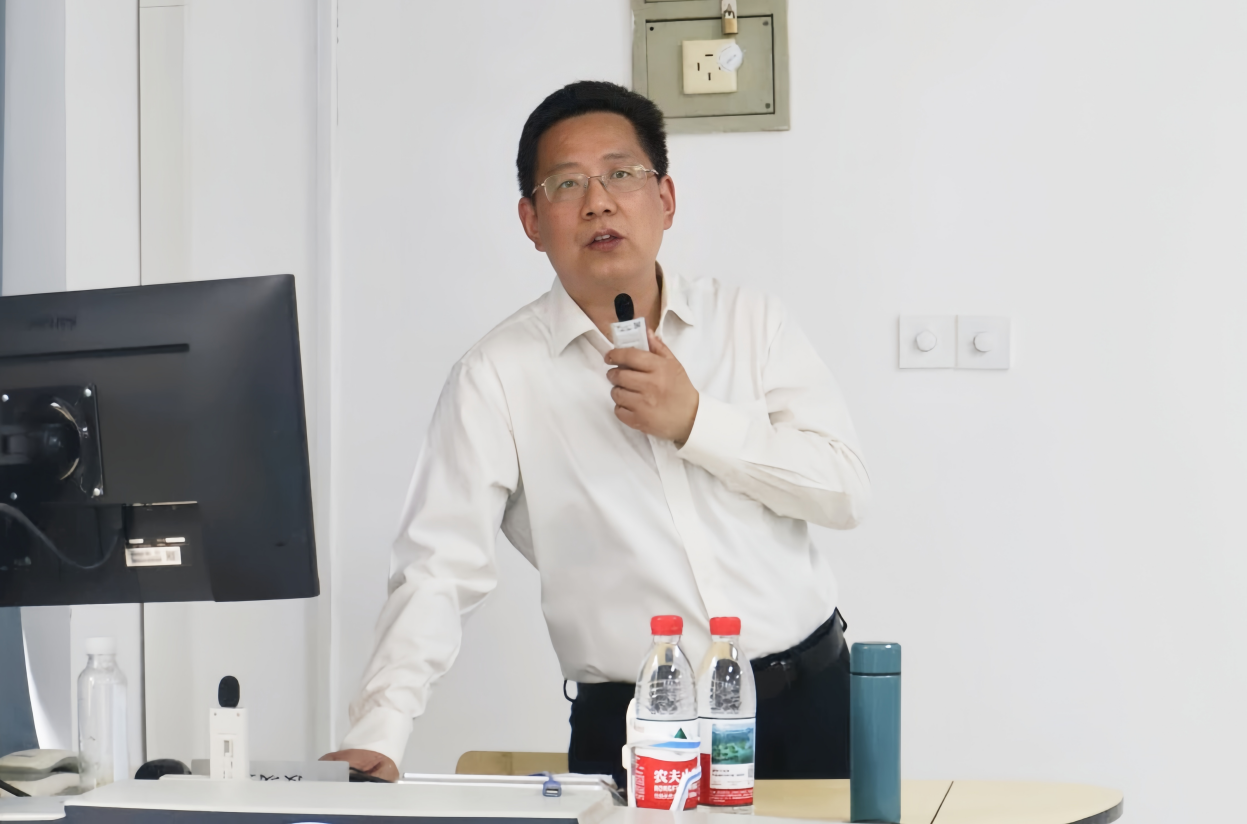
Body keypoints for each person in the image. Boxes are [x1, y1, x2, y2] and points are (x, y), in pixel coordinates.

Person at [322, 81, 870, 783]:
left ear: (665, 198)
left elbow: (843, 491)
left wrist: (696, 421)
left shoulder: (751, 322)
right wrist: (380, 729)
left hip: (810, 703)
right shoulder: (496, 375)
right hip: (636, 729)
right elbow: (439, 567)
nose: (598, 202)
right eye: (566, 183)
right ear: (531, 220)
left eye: (621, 174)